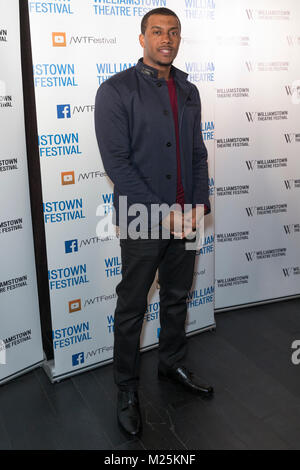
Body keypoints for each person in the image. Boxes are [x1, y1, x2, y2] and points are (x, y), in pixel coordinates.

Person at [95, 7, 213, 436]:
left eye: (174, 32)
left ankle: (171, 365)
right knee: (132, 307)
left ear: (179, 39)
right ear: (142, 37)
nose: (167, 38)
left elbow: (197, 154)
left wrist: (199, 205)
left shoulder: (188, 89)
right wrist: (165, 214)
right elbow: (118, 165)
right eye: (158, 31)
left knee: (177, 297)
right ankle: (126, 389)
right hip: (144, 218)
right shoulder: (115, 90)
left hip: (187, 219)